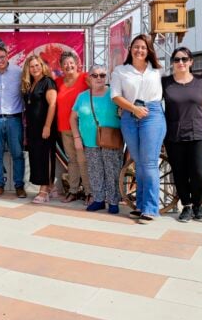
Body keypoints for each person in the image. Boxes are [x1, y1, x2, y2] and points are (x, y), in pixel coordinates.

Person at [111, 34, 166, 223]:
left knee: (149, 163)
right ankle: (141, 205)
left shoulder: (158, 71)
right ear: (130, 49)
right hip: (129, 115)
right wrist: (133, 109)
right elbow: (115, 96)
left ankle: (151, 208)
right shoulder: (121, 71)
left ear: (149, 50)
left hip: (152, 114)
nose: (139, 50)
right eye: (136, 46)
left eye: (143, 47)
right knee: (139, 163)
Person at [162, 47, 202, 223]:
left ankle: (198, 205)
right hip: (174, 134)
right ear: (172, 63)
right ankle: (187, 206)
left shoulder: (201, 81)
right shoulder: (165, 82)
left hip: (199, 133)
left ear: (191, 62)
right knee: (179, 172)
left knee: (198, 172)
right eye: (176, 59)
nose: (180, 62)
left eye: (184, 59)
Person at [72, 65, 123, 214]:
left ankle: (113, 201)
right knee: (95, 171)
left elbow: (124, 112)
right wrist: (76, 137)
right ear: (89, 78)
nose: (99, 78)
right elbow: (72, 118)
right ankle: (99, 200)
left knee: (112, 171)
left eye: (102, 75)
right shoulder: (82, 96)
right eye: (95, 75)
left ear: (107, 77)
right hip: (89, 141)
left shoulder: (114, 95)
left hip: (111, 140)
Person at [0, 45, 26, 198]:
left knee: (17, 154)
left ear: (7, 57)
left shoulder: (18, 72)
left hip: (14, 119)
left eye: (2, 57)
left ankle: (19, 186)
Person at [21, 54, 57, 204]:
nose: (35, 68)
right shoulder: (30, 84)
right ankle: (51, 186)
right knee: (36, 157)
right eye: (32, 66)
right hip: (33, 128)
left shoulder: (48, 82)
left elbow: (52, 104)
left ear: (42, 66)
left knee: (44, 157)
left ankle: (44, 191)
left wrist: (47, 126)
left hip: (44, 127)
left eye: (37, 65)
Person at [55, 51, 90, 203]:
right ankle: (73, 191)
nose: (68, 66)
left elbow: (98, 91)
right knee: (72, 161)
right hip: (64, 128)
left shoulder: (85, 78)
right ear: (61, 67)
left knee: (83, 160)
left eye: (71, 63)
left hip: (82, 128)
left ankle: (89, 192)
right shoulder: (57, 82)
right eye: (65, 64)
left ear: (77, 64)